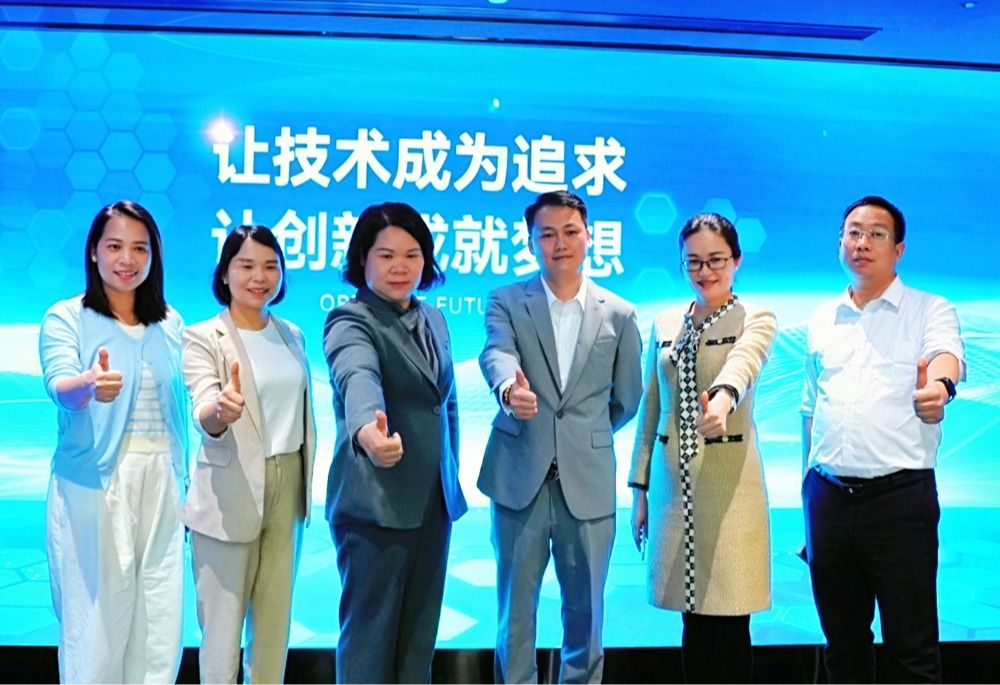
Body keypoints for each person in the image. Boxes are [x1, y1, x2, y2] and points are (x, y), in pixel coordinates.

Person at [478, 190, 643, 683]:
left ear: (589, 236)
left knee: (586, 618)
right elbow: (496, 353)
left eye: (570, 232)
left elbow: (627, 397)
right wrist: (509, 390)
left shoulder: (619, 313)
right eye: (547, 234)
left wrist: (582, 435)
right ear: (531, 242)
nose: (560, 243)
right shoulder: (507, 301)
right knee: (514, 617)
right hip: (519, 479)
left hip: (587, 483)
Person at [801, 196, 965, 683]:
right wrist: (807, 496)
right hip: (827, 498)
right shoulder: (822, 318)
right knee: (842, 645)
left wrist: (940, 388)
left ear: (898, 249)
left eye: (876, 234)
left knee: (911, 648)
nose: (862, 243)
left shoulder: (929, 309)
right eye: (853, 232)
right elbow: (810, 409)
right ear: (840, 243)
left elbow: (946, 356)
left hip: (899, 501)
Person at [39, 200, 188, 683]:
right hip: (95, 484)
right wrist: (86, 386)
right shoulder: (67, 316)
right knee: (96, 627)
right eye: (115, 246)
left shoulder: (170, 322)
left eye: (140, 248)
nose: (128, 259)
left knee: (158, 624)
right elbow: (60, 385)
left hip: (163, 481)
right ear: (94, 252)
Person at [628, 213, 776, 683]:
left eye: (716, 260)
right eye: (693, 262)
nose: (704, 271)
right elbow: (652, 407)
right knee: (691, 620)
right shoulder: (665, 321)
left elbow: (743, 363)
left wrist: (725, 399)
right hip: (673, 490)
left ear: (737, 260)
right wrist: (638, 490)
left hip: (729, 491)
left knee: (729, 620)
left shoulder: (756, 317)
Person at [324, 202, 467, 684]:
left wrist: (449, 479)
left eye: (412, 255)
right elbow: (356, 376)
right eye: (386, 255)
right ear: (362, 258)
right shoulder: (351, 320)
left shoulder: (434, 319)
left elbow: (444, 404)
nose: (400, 267)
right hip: (375, 508)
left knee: (417, 647)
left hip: (433, 505)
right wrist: (368, 431)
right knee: (369, 647)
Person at [182, 225, 317, 684]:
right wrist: (219, 411)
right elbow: (203, 405)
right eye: (246, 265)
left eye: (270, 266)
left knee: (274, 628)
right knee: (222, 630)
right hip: (230, 490)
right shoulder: (203, 336)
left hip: (288, 484)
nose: (260, 277)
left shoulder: (291, 334)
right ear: (224, 273)